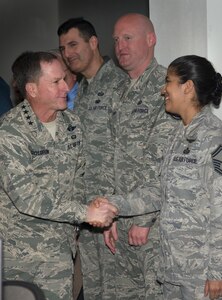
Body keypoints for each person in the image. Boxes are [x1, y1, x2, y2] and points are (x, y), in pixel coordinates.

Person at [0, 51, 118, 300]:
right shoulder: (10, 133)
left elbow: (81, 177)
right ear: (32, 89)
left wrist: (99, 204)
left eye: (64, 78)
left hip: (62, 252)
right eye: (56, 82)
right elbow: (27, 198)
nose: (66, 86)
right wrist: (85, 213)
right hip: (22, 259)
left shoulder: (72, 124)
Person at [97, 13, 179, 299]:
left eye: (128, 38)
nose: (120, 45)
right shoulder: (117, 90)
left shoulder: (167, 88)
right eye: (117, 40)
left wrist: (143, 219)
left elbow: (161, 160)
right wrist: (109, 216)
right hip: (120, 217)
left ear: (151, 39)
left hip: (150, 223)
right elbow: (109, 155)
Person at [57, 17, 127, 299]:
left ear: (94, 42)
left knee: (117, 290)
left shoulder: (119, 84)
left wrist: (118, 206)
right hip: (87, 213)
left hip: (112, 213)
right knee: (95, 290)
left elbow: (127, 154)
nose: (67, 53)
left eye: (73, 44)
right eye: (63, 48)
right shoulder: (80, 90)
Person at [158, 54, 222, 299]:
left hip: (203, 276)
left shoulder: (217, 139)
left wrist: (218, 271)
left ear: (187, 87)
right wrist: (117, 204)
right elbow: (164, 194)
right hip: (175, 269)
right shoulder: (178, 135)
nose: (163, 90)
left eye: (168, 81)